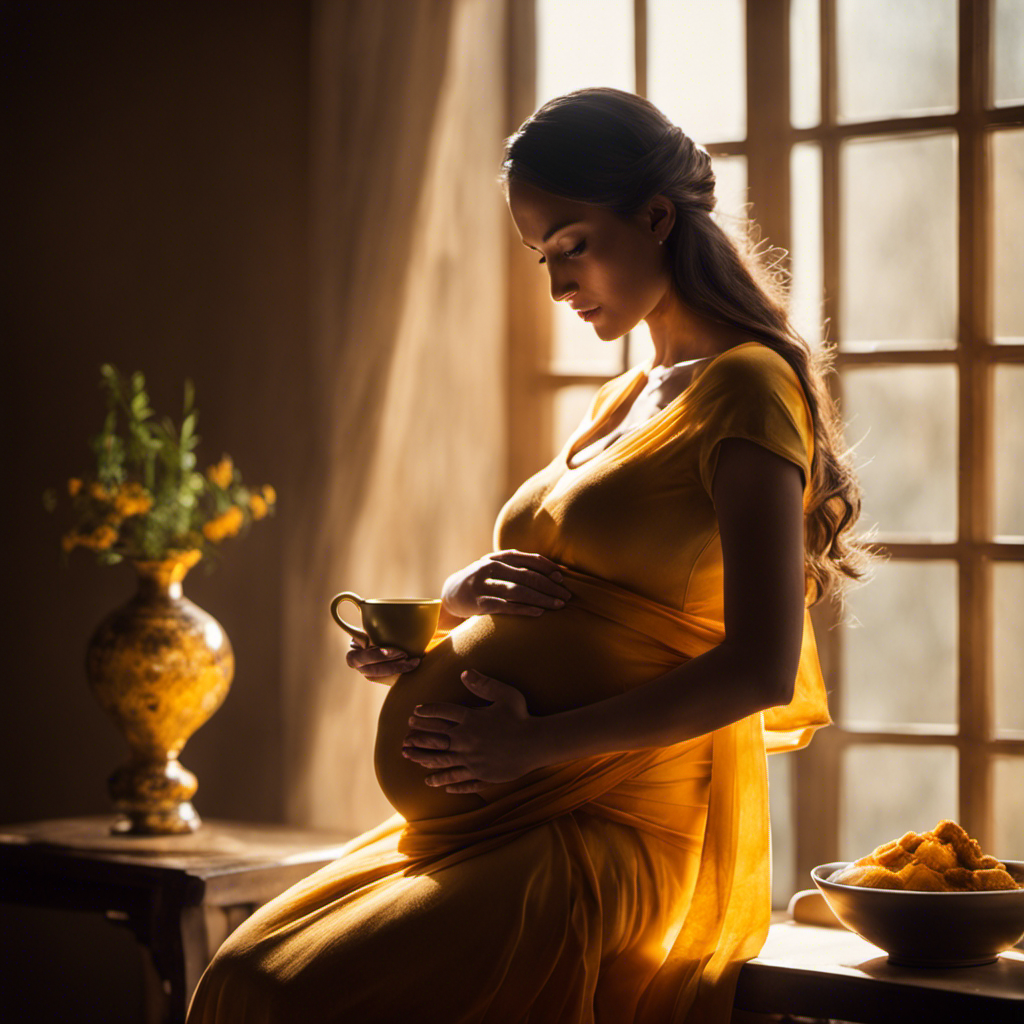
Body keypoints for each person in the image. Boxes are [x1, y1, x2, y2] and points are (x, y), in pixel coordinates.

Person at [186, 87, 867, 1024]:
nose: (557, 286)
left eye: (572, 244)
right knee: (238, 976)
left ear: (657, 218)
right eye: (540, 257)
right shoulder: (622, 400)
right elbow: (589, 602)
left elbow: (755, 668)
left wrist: (534, 745)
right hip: (495, 816)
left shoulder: (746, 388)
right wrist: (448, 620)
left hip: (607, 826)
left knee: (286, 994)